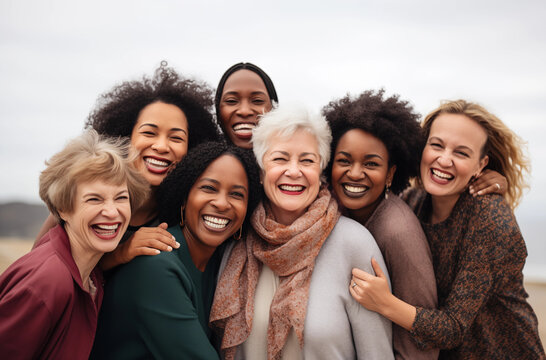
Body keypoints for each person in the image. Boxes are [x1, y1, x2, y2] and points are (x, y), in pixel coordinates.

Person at [351, 100, 545, 359]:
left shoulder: (489, 219)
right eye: (437, 145)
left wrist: (384, 302)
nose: (444, 159)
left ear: (480, 165)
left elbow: (452, 328)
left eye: (462, 153)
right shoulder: (413, 202)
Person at [211, 104, 394, 359]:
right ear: (261, 173)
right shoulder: (236, 242)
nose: (294, 171)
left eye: (307, 160)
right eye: (280, 158)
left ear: (320, 173)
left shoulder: (354, 243)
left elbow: (377, 353)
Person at [35, 61, 221, 269]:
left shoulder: (184, 214)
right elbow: (38, 265)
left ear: (192, 148)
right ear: (125, 136)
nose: (161, 146)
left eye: (176, 138)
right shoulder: (82, 195)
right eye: (149, 133)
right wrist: (121, 253)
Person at [90, 142, 262, 360]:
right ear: (184, 197)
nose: (221, 203)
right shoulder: (155, 265)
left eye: (237, 194)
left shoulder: (219, 265)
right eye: (209, 188)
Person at [0, 130, 149, 359]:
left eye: (121, 197)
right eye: (94, 199)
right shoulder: (47, 282)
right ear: (63, 209)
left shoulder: (91, 277)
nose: (112, 212)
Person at [323, 90, 439, 360]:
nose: (354, 173)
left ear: (390, 174)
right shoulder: (340, 212)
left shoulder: (397, 232)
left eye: (371, 164)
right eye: (344, 160)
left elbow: (422, 342)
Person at [215, 62, 278, 149]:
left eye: (257, 100)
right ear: (218, 111)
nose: (244, 111)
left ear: (274, 109)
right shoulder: (203, 161)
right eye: (231, 101)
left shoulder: (296, 157)